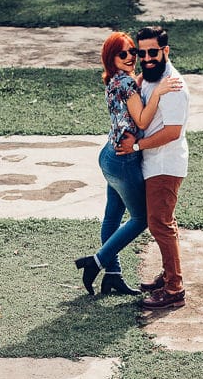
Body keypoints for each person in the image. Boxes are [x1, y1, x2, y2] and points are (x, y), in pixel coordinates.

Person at [75, 32, 181, 296]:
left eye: (132, 52)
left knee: (112, 216)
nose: (131, 57)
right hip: (124, 160)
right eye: (123, 54)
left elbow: (129, 96)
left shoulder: (116, 80)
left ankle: (113, 276)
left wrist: (143, 79)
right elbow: (143, 121)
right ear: (111, 59)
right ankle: (97, 262)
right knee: (142, 218)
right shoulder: (127, 84)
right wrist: (157, 92)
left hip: (109, 155)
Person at [116, 25, 189, 311]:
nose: (146, 58)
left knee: (160, 223)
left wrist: (135, 146)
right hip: (153, 162)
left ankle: (174, 289)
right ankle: (170, 276)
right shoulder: (149, 77)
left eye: (153, 52)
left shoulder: (173, 86)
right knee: (162, 222)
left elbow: (172, 131)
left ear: (165, 51)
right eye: (141, 52)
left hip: (165, 164)